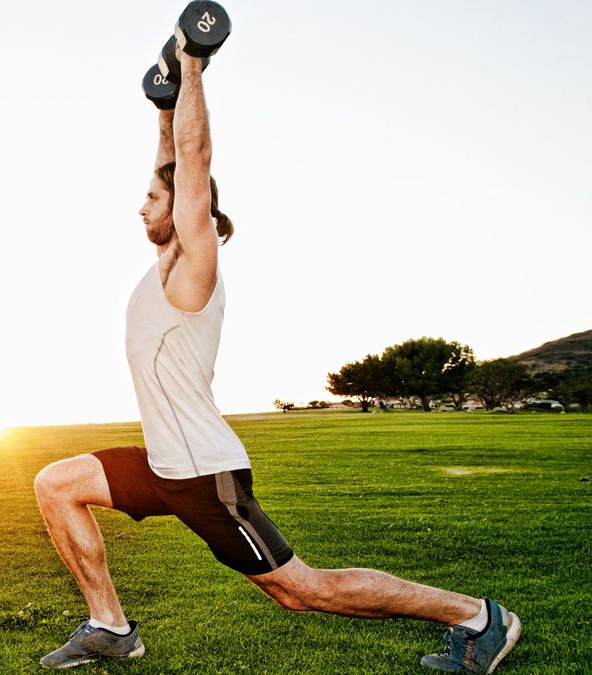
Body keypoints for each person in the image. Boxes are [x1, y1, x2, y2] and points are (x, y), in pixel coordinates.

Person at [32, 41, 521, 673]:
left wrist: (192, 68)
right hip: (163, 464)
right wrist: (163, 109)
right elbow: (172, 160)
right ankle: (110, 626)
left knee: (301, 590)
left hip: (206, 474)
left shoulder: (194, 268)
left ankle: (479, 618)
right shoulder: (164, 265)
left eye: (154, 200)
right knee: (57, 484)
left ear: (186, 211)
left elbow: (191, 161)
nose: (142, 206)